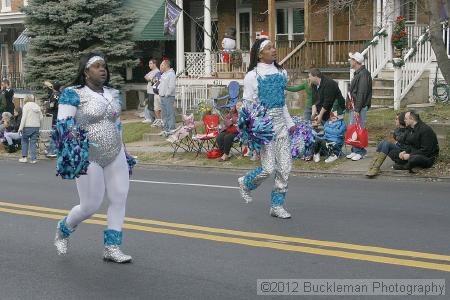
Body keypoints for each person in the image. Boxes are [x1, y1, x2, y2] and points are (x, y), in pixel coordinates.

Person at [53, 52, 133, 263]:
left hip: (115, 153)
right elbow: (64, 124)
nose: (102, 69)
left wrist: (124, 151)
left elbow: (117, 124)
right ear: (86, 71)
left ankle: (112, 247)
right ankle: (64, 228)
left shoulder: (112, 93)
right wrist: (78, 148)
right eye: (97, 66)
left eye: (104, 66)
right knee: (90, 205)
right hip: (88, 155)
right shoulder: (72, 93)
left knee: (119, 197)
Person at [237, 38, 295, 219]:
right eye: (269, 48)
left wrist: (290, 122)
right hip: (264, 128)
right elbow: (248, 106)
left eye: (274, 47)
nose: (274, 50)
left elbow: (282, 102)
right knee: (268, 168)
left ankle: (277, 206)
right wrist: (252, 129)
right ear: (260, 53)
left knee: (285, 168)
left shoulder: (281, 72)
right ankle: (246, 182)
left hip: (281, 126)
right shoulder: (252, 76)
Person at [366, 112, 410, 178]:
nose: (395, 120)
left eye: (396, 119)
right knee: (382, 142)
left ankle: (376, 168)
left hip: (404, 155)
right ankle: (372, 166)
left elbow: (406, 144)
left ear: (401, 120)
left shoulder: (408, 131)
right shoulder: (397, 130)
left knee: (386, 144)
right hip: (398, 151)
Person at [346, 52, 372, 161]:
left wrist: (357, 108)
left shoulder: (364, 74)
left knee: (359, 128)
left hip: (359, 107)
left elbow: (362, 93)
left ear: (356, 61)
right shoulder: (358, 73)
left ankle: (361, 152)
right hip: (355, 106)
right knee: (353, 128)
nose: (349, 61)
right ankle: (355, 150)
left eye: (351, 59)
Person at [18, 95, 43, 164]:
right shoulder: (37, 106)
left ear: (25, 100)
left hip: (27, 126)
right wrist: (39, 126)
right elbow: (41, 118)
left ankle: (24, 157)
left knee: (24, 141)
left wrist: (20, 128)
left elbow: (24, 118)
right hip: (36, 127)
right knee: (33, 143)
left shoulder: (26, 106)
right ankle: (33, 159)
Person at [158, 59, 176, 137]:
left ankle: (171, 130)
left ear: (166, 65)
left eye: (162, 65)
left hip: (168, 97)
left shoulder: (171, 74)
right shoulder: (163, 74)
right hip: (162, 96)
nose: (160, 66)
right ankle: (166, 130)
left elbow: (171, 86)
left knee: (169, 114)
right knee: (164, 115)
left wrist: (167, 94)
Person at [143, 59, 159, 124]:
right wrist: (149, 78)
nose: (149, 65)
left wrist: (149, 78)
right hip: (149, 91)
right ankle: (150, 118)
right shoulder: (151, 71)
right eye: (149, 64)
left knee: (152, 107)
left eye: (150, 63)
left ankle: (154, 119)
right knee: (149, 105)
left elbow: (150, 79)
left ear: (154, 64)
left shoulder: (157, 72)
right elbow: (145, 76)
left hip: (152, 92)